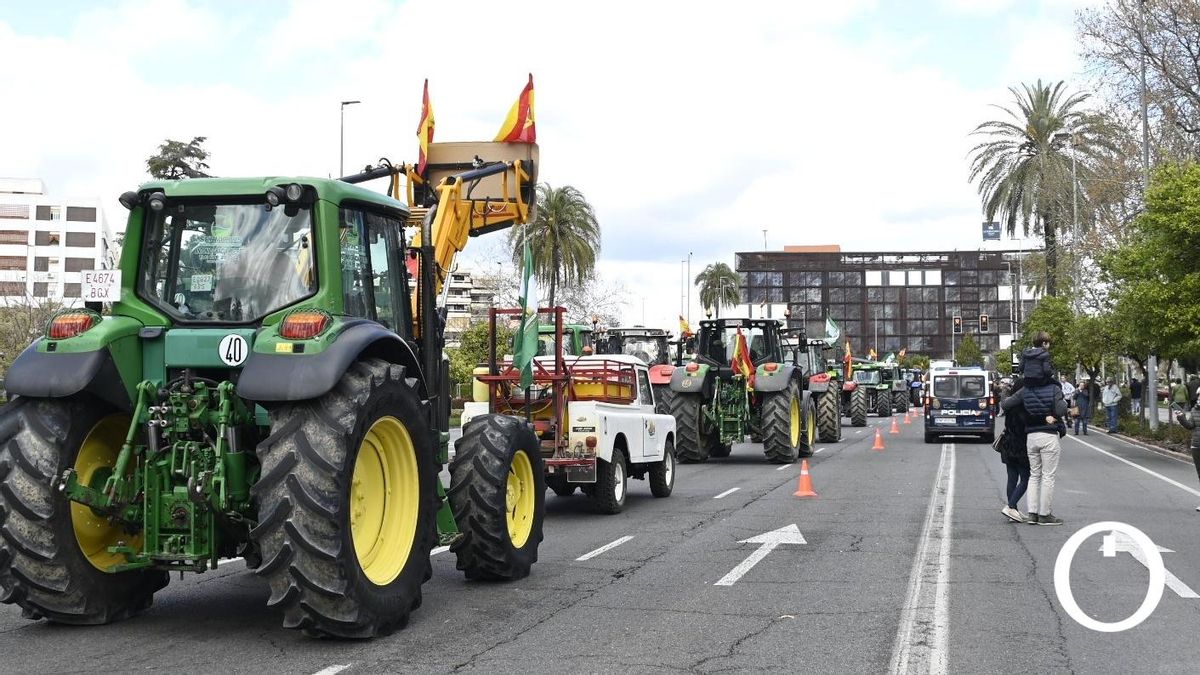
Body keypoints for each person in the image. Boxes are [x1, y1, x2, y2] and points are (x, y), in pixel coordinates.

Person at [1007, 332, 1069, 526]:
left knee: (1034, 475)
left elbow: (1007, 404)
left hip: (1030, 436)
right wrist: (1057, 413)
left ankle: (1032, 513)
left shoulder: (1025, 390)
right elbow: (1061, 409)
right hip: (1048, 435)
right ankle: (1045, 514)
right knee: (1048, 476)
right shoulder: (1054, 388)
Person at [998, 377, 1031, 523]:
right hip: (1020, 446)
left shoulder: (1009, 404)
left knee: (1012, 478)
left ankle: (1014, 510)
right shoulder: (1024, 406)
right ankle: (1011, 506)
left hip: (1007, 444)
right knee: (1025, 478)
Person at [1177, 395, 1200, 512]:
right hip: (1196, 446)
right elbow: (1190, 426)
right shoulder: (1194, 410)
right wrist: (1181, 418)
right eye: (1199, 396)